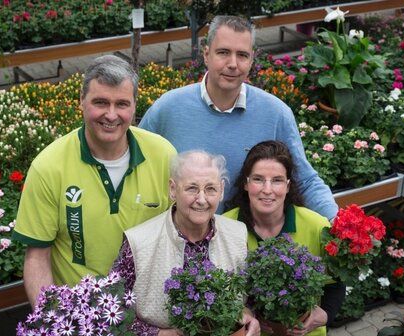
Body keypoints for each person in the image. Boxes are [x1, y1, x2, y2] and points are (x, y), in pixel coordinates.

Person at [12, 55, 177, 307]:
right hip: (81, 322)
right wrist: (53, 324)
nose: (111, 115)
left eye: (122, 104)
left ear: (135, 106)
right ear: (81, 102)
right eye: (100, 102)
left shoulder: (163, 155)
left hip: (151, 312)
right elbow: (37, 258)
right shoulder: (48, 166)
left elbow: (182, 237)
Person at [139, 15, 338, 220]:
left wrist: (338, 223)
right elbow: (136, 167)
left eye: (242, 55)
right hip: (180, 239)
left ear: (252, 60)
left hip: (246, 242)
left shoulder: (275, 113)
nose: (233, 64)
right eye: (223, 52)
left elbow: (304, 180)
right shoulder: (169, 108)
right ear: (206, 55)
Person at [111, 150, 260, 336]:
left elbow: (250, 297)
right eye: (192, 188)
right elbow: (111, 309)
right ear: (173, 189)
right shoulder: (139, 242)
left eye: (210, 189)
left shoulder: (237, 234)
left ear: (220, 191)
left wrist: (250, 317)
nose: (201, 199)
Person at [224, 140, 345, 336]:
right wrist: (242, 311)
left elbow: (336, 283)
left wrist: (324, 314)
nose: (267, 189)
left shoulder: (316, 226)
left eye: (277, 180)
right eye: (258, 179)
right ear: (246, 184)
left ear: (288, 186)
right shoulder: (224, 227)